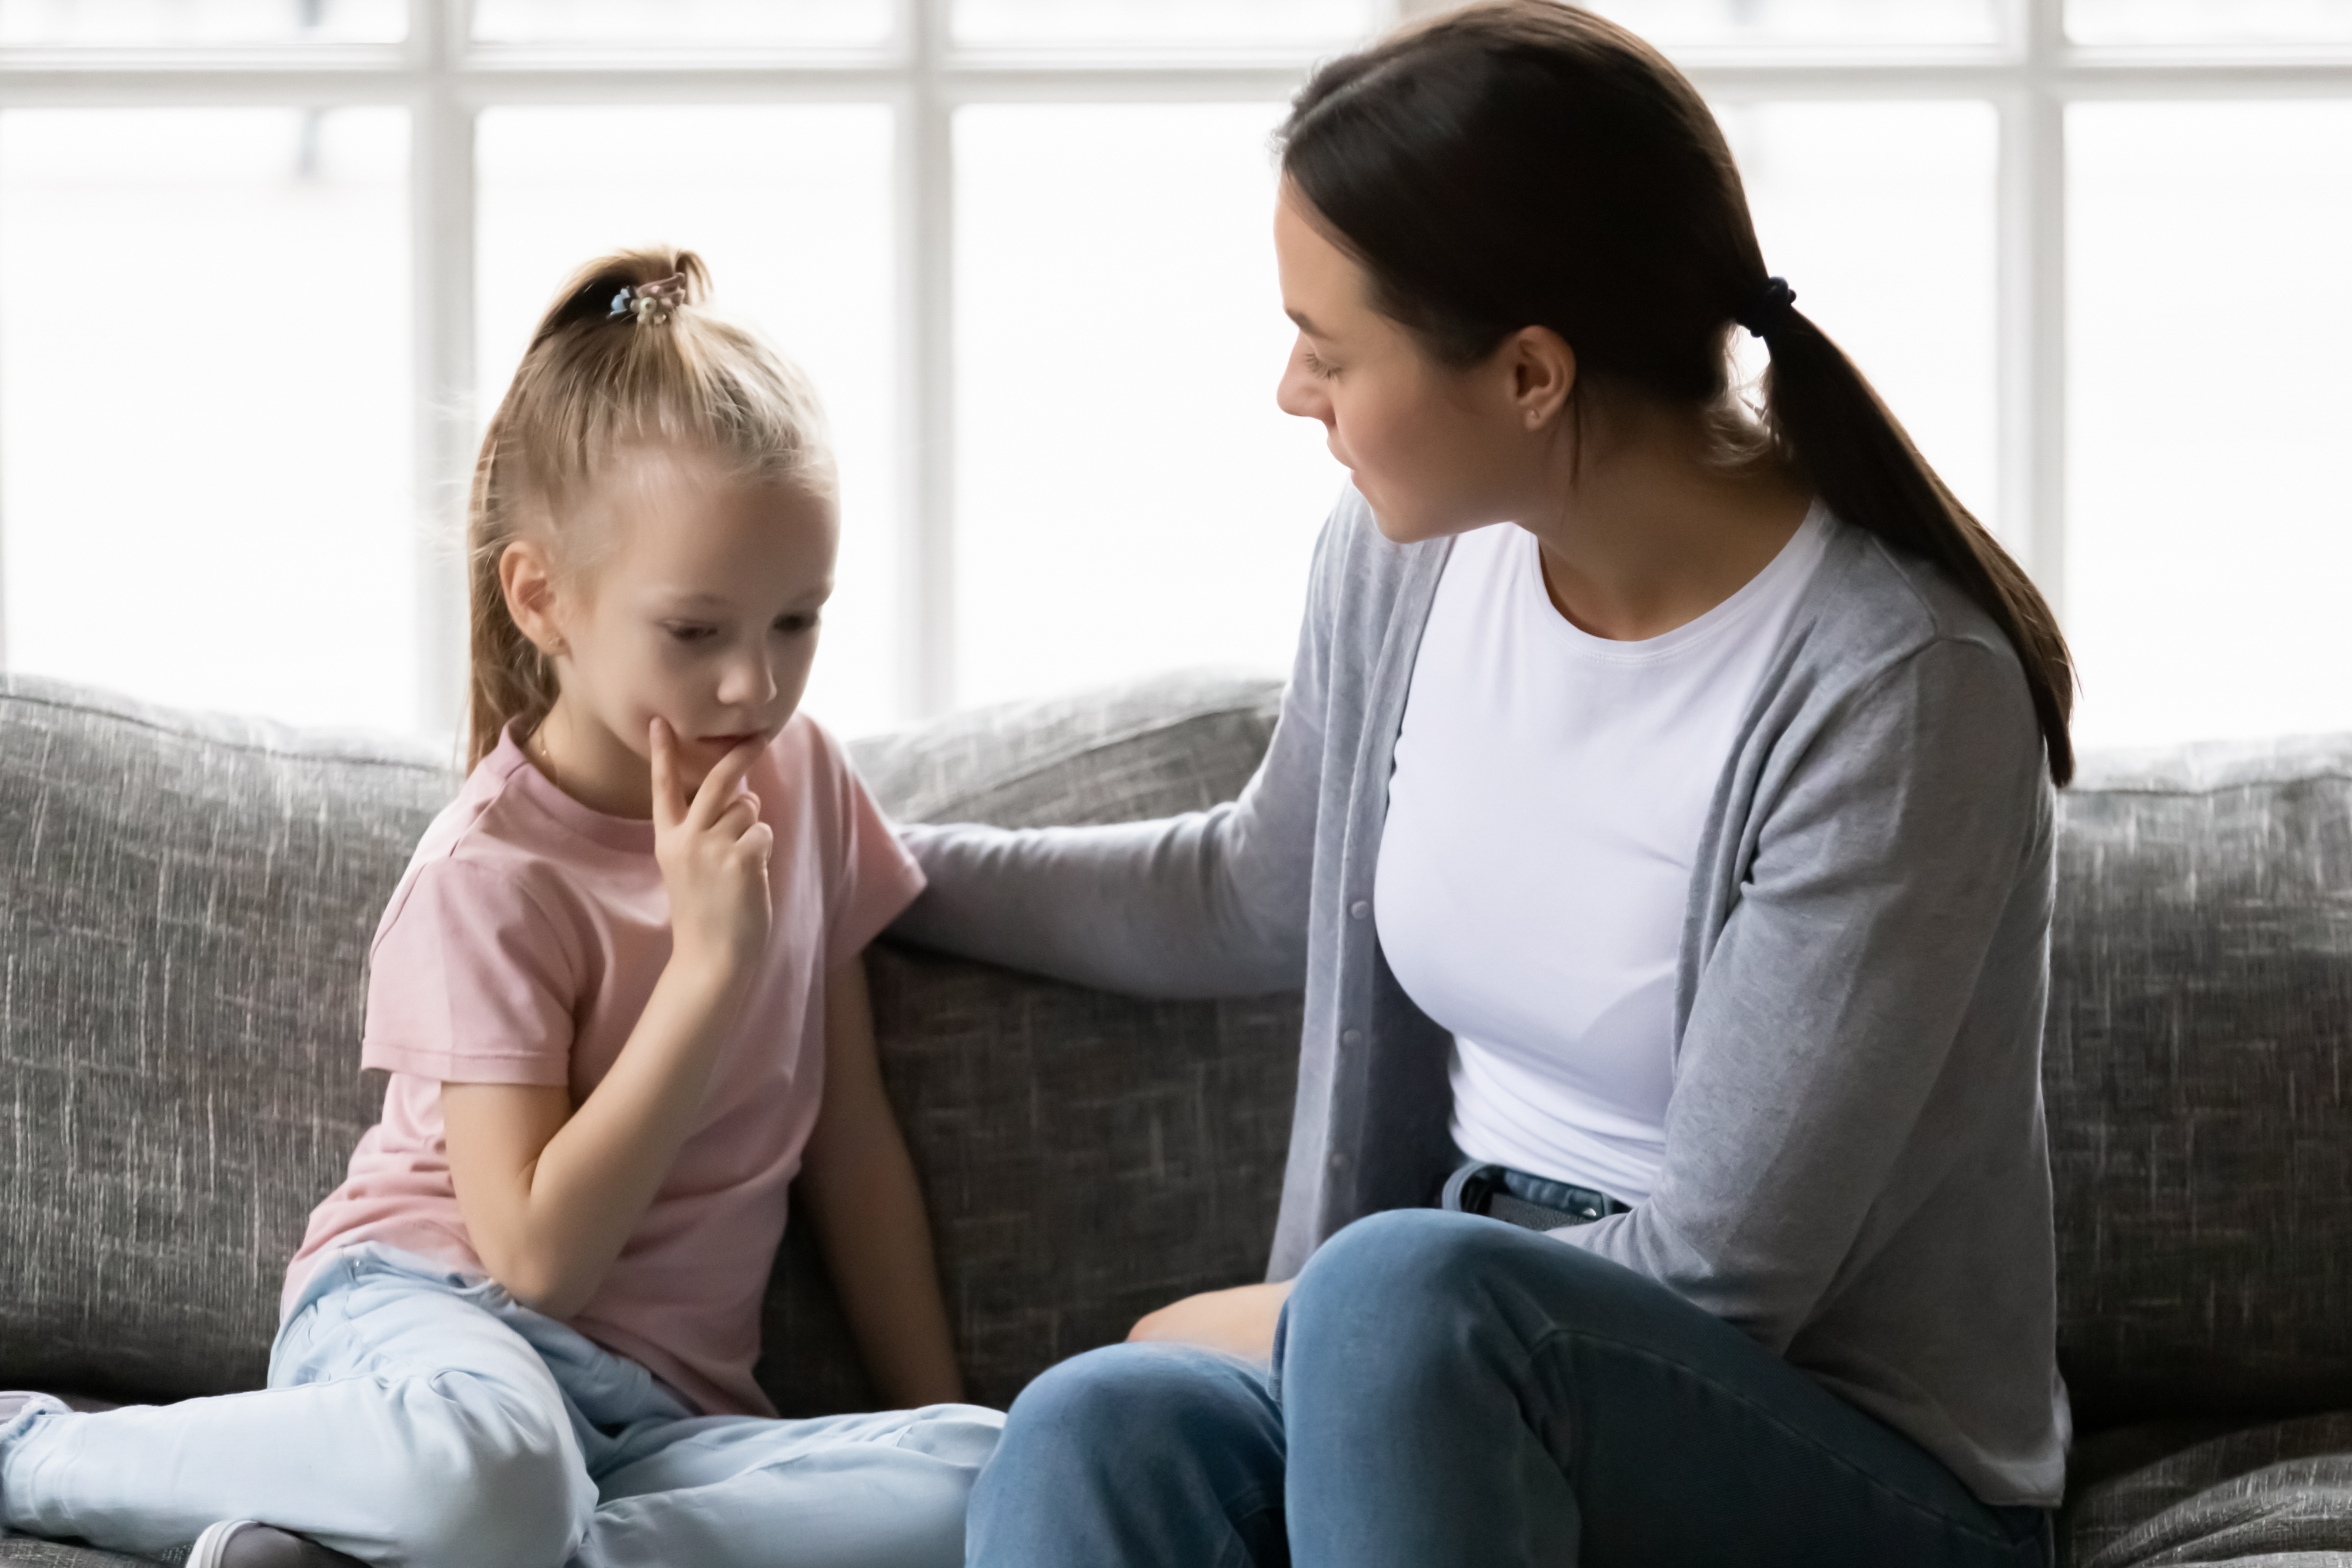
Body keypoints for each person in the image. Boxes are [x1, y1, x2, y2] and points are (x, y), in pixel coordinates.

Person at [890, 4, 2074, 1565]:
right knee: (1098, 1427)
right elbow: (1257, 886)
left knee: (1395, 1294)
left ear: (1528, 372)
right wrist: (869, 859)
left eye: (1328, 347)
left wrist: (1297, 1315)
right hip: (1442, 1362)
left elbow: (1725, 1278)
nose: (1289, 392)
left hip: (1837, 1457)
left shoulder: (1891, 690)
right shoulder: (1406, 571)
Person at [0, 249, 1000, 1568]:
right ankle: (35, 1448)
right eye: (695, 632)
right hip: (430, 1332)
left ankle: (447, 1552)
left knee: (994, 1463)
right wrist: (707, 972)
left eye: (797, 621)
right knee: (498, 1471)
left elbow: (851, 1141)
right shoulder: (489, 874)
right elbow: (535, 1257)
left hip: (654, 1426)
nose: (754, 686)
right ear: (545, 599)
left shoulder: (800, 783)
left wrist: (924, 1402)